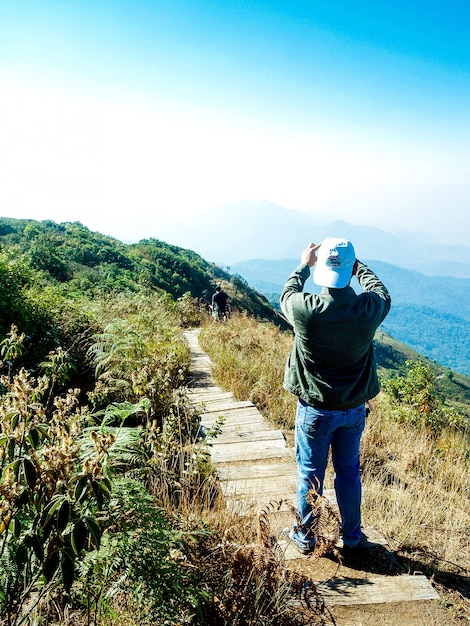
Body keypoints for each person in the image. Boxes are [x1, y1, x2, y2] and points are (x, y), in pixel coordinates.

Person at [280, 238, 391, 556]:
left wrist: (304, 264)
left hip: (315, 410)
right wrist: (359, 268)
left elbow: (287, 293)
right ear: (350, 269)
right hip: (353, 409)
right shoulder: (367, 310)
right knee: (348, 472)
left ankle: (304, 535)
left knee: (310, 473)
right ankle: (352, 536)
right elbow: (382, 293)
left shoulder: (306, 309)